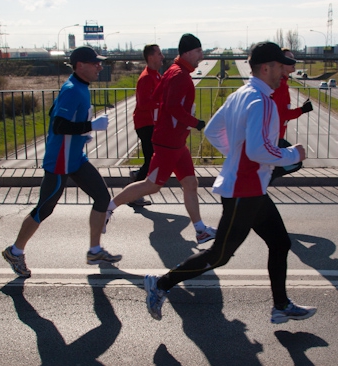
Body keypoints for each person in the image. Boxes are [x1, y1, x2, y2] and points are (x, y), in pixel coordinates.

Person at [143, 42, 316, 324]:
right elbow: (259, 150)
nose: (285, 71)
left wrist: (234, 154)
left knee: (280, 243)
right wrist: (292, 153)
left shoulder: (242, 94)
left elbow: (212, 130)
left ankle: (281, 305)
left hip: (251, 188)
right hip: (243, 191)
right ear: (265, 67)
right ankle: (160, 284)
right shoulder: (262, 102)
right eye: (281, 66)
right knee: (219, 255)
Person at [1, 47, 121, 278]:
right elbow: (58, 125)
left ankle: (94, 250)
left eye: (100, 63)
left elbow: (57, 117)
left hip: (75, 158)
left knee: (102, 197)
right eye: (95, 63)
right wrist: (90, 126)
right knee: (44, 209)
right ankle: (15, 251)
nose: (99, 66)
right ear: (80, 66)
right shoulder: (71, 90)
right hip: (59, 161)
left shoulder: (81, 88)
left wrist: (84, 133)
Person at [104, 34, 216, 244]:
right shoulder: (180, 75)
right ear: (188, 52)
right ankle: (108, 209)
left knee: (191, 183)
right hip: (169, 142)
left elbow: (157, 98)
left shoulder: (173, 71)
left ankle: (200, 230)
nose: (201, 56)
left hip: (176, 140)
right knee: (151, 185)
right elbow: (173, 107)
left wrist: (167, 117)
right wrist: (195, 122)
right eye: (199, 51)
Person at [127, 44, 164, 207]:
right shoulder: (146, 77)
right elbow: (142, 104)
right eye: (159, 54)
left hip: (152, 123)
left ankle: (137, 178)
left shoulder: (156, 75)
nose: (162, 56)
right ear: (151, 57)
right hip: (145, 124)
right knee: (151, 158)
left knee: (152, 158)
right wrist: (162, 103)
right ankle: (134, 192)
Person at [270, 48, 312, 182]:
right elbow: (281, 115)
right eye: (289, 59)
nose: (293, 62)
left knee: (295, 161)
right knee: (296, 161)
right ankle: (265, 179)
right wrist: (302, 110)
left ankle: (265, 179)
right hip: (275, 137)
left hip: (277, 136)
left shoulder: (283, 84)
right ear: (280, 64)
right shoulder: (280, 86)